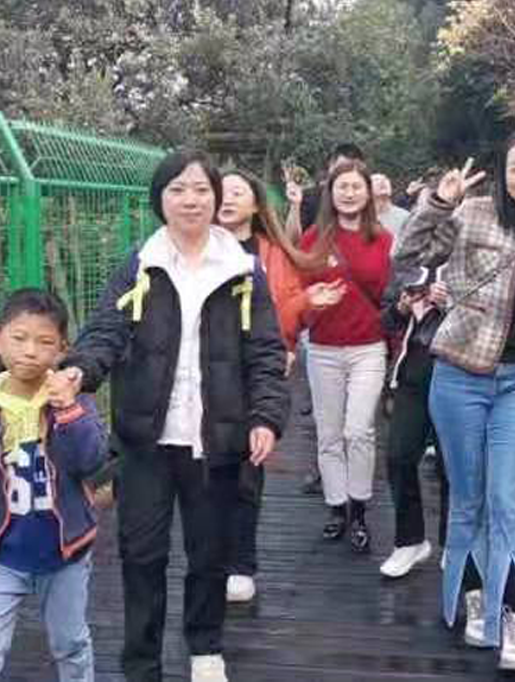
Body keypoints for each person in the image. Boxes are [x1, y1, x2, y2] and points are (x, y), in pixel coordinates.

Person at [51, 151, 290, 682]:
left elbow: (266, 352)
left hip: (217, 439)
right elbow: (106, 331)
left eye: (202, 190)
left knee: (210, 553)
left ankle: (206, 648)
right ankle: (141, 663)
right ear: (159, 199)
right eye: (178, 189)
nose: (191, 200)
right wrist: (79, 372)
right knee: (141, 554)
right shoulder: (140, 265)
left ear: (216, 198)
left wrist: (266, 417)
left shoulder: (243, 271)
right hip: (146, 440)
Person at [394, 127, 515, 672]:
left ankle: (514, 621)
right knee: (468, 497)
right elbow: (406, 254)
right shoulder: (474, 213)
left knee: (508, 500)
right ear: (502, 173)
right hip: (458, 376)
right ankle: (475, 597)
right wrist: (438, 202)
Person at [0, 288, 105, 682]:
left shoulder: (74, 402)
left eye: (45, 342)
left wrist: (68, 410)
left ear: (63, 350)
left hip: (65, 553)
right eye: (19, 338)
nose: (30, 351)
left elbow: (92, 461)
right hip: (1, 557)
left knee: (71, 644)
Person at [216, 168, 314, 603]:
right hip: (201, 375)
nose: (227, 199)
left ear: (256, 204)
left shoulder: (272, 253)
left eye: (238, 192)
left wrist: (284, 344)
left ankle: (241, 563)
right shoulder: (195, 248)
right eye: (221, 191)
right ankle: (212, 558)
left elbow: (288, 306)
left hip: (251, 373)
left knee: (245, 469)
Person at [299, 159, 394, 554]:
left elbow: (392, 293)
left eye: (357, 186)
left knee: (358, 430)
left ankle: (359, 508)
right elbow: (297, 291)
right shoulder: (313, 238)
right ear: (331, 193)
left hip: (368, 347)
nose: (350, 193)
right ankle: (337, 507)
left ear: (368, 193)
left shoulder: (383, 239)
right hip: (323, 348)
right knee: (329, 434)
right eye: (342, 187)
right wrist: (311, 302)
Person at [378, 258, 448, 578]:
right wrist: (403, 306)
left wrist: (451, 303)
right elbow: (386, 319)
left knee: (452, 466)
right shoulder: (410, 260)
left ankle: (454, 541)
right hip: (412, 374)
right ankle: (410, 540)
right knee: (398, 456)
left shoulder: (476, 252)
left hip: (457, 375)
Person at [371, 173, 412, 244]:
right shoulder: (360, 219)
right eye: (376, 180)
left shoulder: (406, 217)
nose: (382, 181)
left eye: (385, 179)